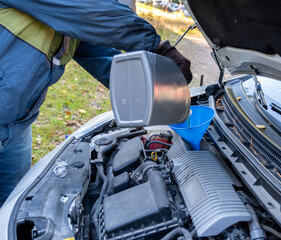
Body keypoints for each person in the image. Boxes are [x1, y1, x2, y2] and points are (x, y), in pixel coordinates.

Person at [0, 0, 192, 207]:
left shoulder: (69, 21)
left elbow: (105, 61)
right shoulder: (73, 8)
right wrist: (156, 45)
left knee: (10, 206)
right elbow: (88, 10)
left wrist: (155, 88)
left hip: (17, 127)